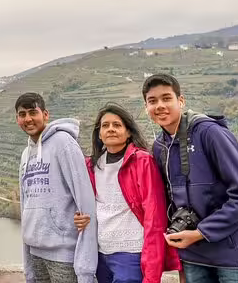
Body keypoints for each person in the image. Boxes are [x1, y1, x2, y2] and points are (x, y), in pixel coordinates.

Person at [144, 74, 238, 283]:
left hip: (232, 255)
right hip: (192, 255)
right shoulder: (160, 147)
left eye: (166, 98)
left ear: (181, 101)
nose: (159, 106)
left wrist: (201, 232)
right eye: (152, 101)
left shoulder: (210, 133)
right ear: (146, 107)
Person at [74, 102, 180, 283]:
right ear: (99, 133)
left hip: (131, 254)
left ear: (128, 131)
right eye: (105, 125)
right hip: (99, 253)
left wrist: (152, 272)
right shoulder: (91, 166)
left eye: (117, 125)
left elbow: (154, 216)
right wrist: (78, 216)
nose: (111, 129)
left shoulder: (142, 161)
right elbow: (85, 205)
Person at [16, 92, 98, 283]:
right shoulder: (26, 154)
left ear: (45, 114)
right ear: (17, 119)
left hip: (63, 252)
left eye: (32, 112)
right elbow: (25, 204)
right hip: (36, 249)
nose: (28, 119)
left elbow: (83, 194)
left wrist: (86, 259)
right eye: (22, 114)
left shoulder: (63, 142)